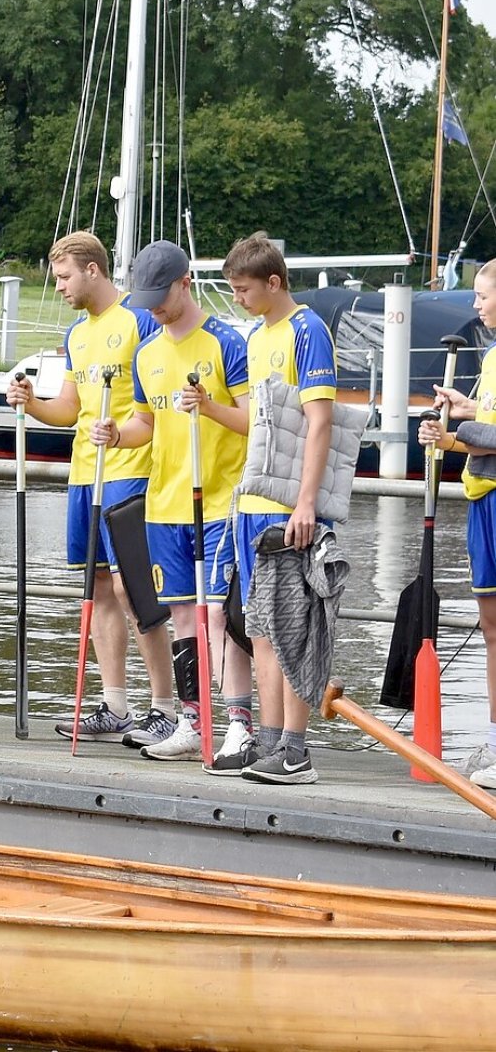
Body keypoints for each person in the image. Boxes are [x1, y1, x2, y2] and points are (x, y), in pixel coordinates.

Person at [7, 231, 175, 745]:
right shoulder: (78, 334)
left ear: (93, 271)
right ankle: (114, 705)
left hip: (129, 470)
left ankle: (165, 705)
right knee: (97, 588)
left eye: (63, 277)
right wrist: (32, 402)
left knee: (133, 589)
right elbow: (70, 409)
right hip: (85, 474)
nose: (58, 286)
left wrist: (129, 438)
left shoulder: (140, 319)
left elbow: (155, 400)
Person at [90, 239, 252, 763]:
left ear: (186, 282)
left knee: (215, 617)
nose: (155, 307)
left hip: (219, 499)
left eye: (162, 295)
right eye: (147, 298)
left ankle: (237, 723)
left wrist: (208, 408)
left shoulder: (227, 342)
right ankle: (191, 720)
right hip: (163, 504)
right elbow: (146, 424)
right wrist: (117, 435)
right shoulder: (147, 352)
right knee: (182, 616)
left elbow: (254, 421)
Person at [215, 233, 339, 783]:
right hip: (252, 503)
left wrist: (306, 503)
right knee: (259, 629)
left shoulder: (306, 329)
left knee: (290, 629)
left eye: (243, 289)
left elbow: (319, 421)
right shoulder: (257, 334)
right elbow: (259, 427)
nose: (237, 298)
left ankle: (296, 748)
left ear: (274, 282)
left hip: (287, 507)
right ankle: (269, 743)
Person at [422, 258, 496, 789]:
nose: (475, 306)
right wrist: (467, 405)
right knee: (491, 628)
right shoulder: (491, 358)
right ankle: (494, 734)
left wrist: (455, 437)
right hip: (481, 498)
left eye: (483, 297)